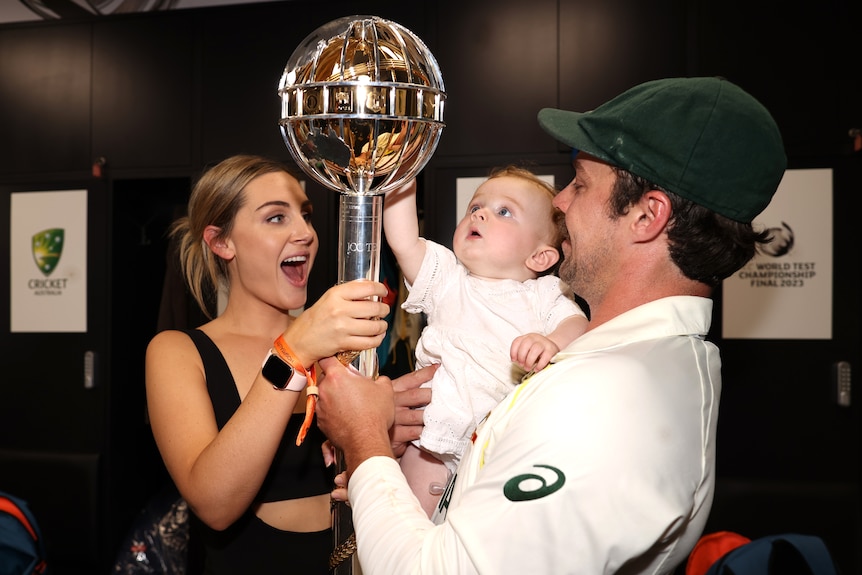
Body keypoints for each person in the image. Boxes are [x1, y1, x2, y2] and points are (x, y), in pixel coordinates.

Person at [315, 76, 787, 573]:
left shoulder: (603, 403)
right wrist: (389, 482)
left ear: (648, 216)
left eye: (580, 184)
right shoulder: (635, 363)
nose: (560, 202)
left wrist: (363, 438)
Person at [144, 154, 394, 574]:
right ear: (222, 242)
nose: (305, 233)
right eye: (276, 218)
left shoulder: (336, 343)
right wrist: (292, 353)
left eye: (306, 215)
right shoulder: (178, 352)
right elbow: (214, 502)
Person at [383, 165, 589, 515]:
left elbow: (578, 326)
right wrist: (403, 178)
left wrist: (551, 342)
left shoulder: (544, 294)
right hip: (432, 441)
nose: (479, 213)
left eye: (504, 211)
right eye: (475, 207)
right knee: (411, 525)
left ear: (540, 256)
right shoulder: (448, 279)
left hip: (502, 448)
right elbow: (403, 242)